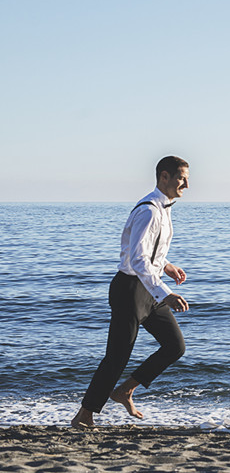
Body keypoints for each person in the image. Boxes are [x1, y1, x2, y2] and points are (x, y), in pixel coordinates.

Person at [71, 156, 190, 429]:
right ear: (164, 177)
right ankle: (84, 415)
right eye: (181, 177)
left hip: (149, 289)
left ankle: (125, 390)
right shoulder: (149, 210)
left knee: (175, 347)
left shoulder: (164, 209)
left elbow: (147, 254)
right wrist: (165, 293)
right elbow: (136, 260)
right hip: (130, 290)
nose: (186, 184)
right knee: (117, 356)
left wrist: (167, 266)